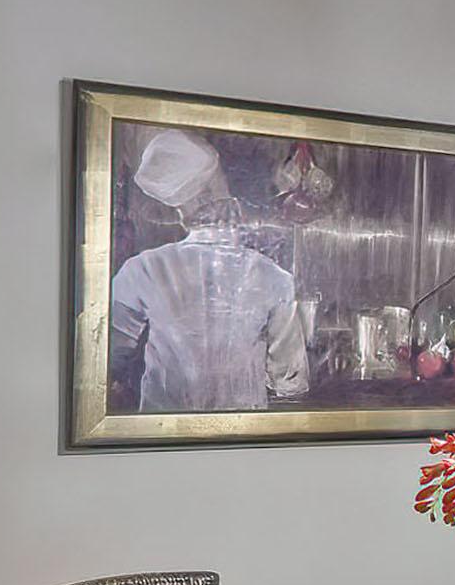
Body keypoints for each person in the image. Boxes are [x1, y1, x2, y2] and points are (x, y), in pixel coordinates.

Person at [109, 129, 309, 412]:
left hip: (160, 435)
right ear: (220, 192)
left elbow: (103, 356)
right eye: (220, 183)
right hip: (244, 435)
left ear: (179, 210)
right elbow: (290, 381)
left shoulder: (143, 270)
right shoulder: (274, 277)